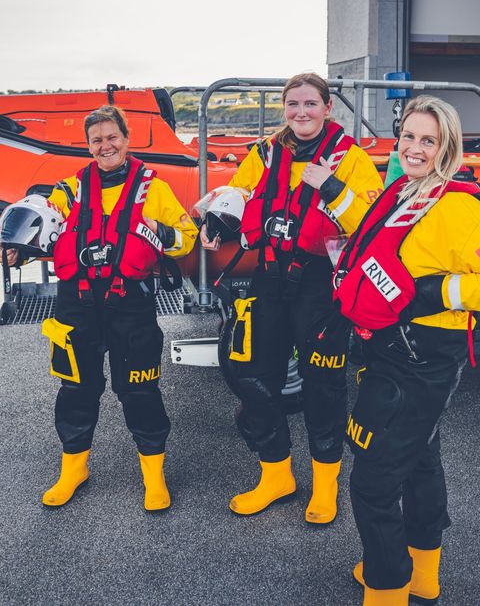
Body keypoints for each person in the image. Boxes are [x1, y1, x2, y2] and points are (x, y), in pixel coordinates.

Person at [333, 96, 480, 605]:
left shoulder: (458, 205)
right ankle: (423, 574)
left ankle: (387, 587)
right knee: (420, 462)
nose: (416, 148)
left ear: (448, 148)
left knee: (372, 484)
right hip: (389, 350)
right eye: (410, 137)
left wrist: (436, 291)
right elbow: (372, 236)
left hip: (422, 357)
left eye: (429, 140)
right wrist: (332, 192)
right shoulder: (403, 191)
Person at [201, 73, 383, 524]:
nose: (301, 113)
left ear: (328, 109)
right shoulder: (265, 153)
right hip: (268, 278)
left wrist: (333, 188)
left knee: (323, 386)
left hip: (321, 285)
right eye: (293, 105)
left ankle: (325, 488)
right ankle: (276, 473)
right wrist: (216, 223)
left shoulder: (352, 159)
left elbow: (370, 222)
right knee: (251, 376)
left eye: (310, 104)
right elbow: (240, 195)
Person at [1, 105, 198, 511]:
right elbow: (44, 224)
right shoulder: (70, 189)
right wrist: (20, 253)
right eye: (97, 140)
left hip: (132, 306)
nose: (105, 145)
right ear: (88, 146)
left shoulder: (154, 189)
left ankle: (153, 476)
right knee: (76, 389)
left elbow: (187, 239)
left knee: (140, 391)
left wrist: (161, 232)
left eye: (112, 137)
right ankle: (74, 468)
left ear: (126, 139)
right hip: (78, 305)